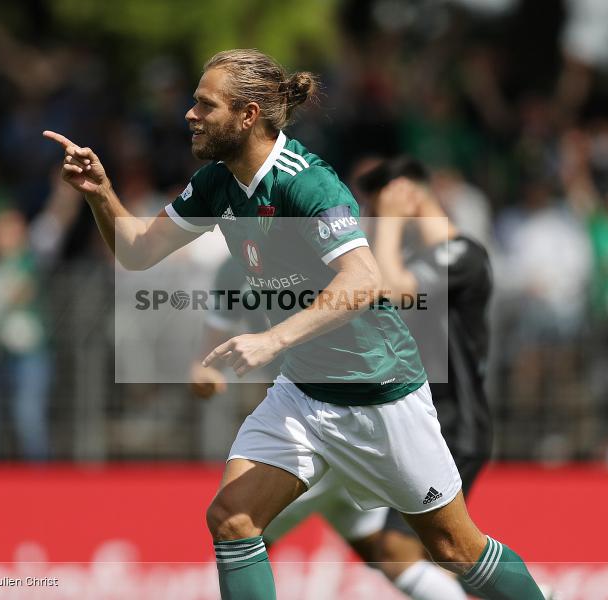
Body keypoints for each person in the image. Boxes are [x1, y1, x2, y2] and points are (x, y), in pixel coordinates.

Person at [45, 48, 544, 600]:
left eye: (204, 105)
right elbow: (136, 251)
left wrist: (272, 340)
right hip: (304, 394)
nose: (190, 114)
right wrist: (101, 194)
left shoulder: (307, 183)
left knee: (455, 550)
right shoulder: (215, 183)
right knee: (232, 519)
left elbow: (362, 282)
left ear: (248, 114)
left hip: (378, 394)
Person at [190, 157, 498, 600]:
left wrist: (389, 220)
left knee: (246, 525)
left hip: (435, 420)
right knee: (395, 551)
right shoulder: (289, 258)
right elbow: (221, 310)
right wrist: (204, 365)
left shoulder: (461, 255)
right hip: (336, 416)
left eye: (375, 206)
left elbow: (385, 287)